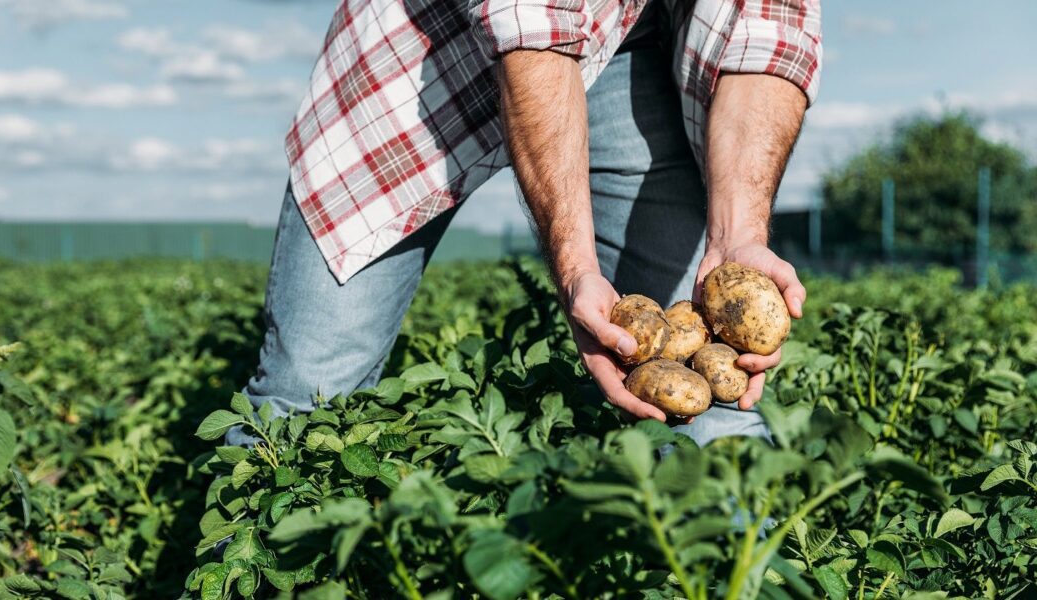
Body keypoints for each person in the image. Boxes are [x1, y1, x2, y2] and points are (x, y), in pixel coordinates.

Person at [228, 0, 820, 449]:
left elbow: (768, 34)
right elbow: (534, 31)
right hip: (427, 50)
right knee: (307, 393)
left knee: (713, 396)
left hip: (634, 44)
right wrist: (577, 271)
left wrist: (738, 236)